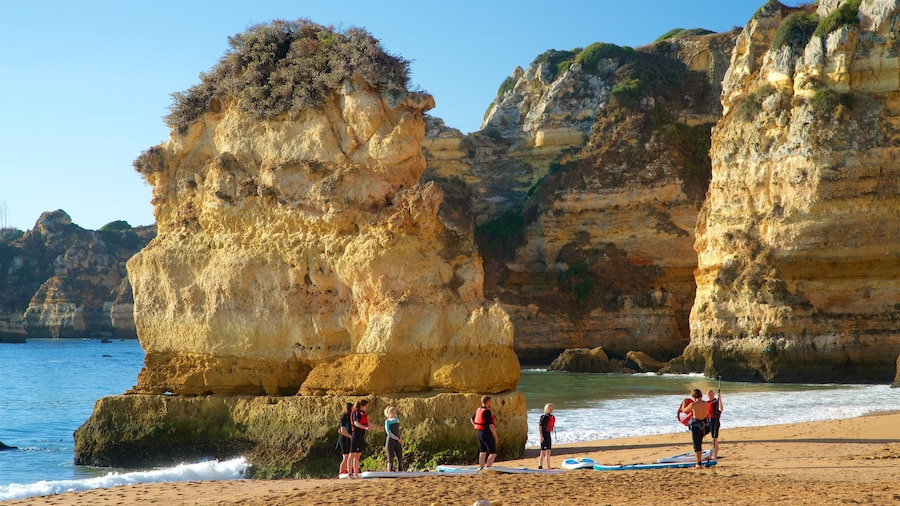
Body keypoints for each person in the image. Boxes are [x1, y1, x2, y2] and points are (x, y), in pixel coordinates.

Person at [680, 388, 710, 468]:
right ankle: (699, 462)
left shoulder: (693, 404)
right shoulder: (707, 403)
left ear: (693, 396)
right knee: (699, 443)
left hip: (696, 425)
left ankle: (698, 463)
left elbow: (684, 411)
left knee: (696, 445)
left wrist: (683, 403)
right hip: (703, 425)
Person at [470, 395, 499, 470]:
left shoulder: (478, 409)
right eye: (490, 401)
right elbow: (491, 425)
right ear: (488, 402)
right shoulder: (487, 411)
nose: (491, 403)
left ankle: (481, 467)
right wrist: (496, 436)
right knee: (493, 453)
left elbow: (471, 419)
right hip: (486, 434)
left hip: (480, 433)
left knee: (483, 452)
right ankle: (488, 467)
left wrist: (475, 426)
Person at [348, 399, 372, 478]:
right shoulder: (356, 413)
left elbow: (367, 423)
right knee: (352, 454)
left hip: (361, 435)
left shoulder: (363, 413)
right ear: (362, 406)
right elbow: (356, 423)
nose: (366, 408)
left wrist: (379, 428)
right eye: (366, 406)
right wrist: (365, 427)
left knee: (358, 455)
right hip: (356, 434)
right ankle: (350, 473)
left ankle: (356, 474)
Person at [383, 406, 403, 472]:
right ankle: (390, 470)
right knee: (391, 457)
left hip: (397, 440)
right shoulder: (387, 421)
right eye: (392, 412)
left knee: (399, 456)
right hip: (390, 440)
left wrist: (399, 438)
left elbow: (397, 430)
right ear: (388, 413)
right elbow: (389, 432)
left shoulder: (397, 420)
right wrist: (397, 438)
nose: (394, 413)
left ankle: (400, 470)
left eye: (394, 412)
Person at [337, 402, 353, 477]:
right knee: (345, 457)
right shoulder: (344, 417)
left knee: (350, 456)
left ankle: (347, 471)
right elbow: (342, 430)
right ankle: (340, 473)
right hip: (345, 438)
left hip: (349, 438)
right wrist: (351, 436)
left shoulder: (350, 416)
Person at [706, 389, 723, 460]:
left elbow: (721, 409)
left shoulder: (716, 402)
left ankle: (715, 455)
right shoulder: (706, 403)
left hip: (715, 421)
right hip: (708, 422)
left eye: (711, 394)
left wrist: (720, 398)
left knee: (714, 439)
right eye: (708, 395)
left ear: (714, 395)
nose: (709, 396)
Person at [537, 403, 555, 470]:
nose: (551, 410)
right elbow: (540, 426)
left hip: (548, 435)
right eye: (549, 409)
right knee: (543, 451)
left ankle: (548, 466)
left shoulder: (551, 417)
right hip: (544, 435)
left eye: (552, 409)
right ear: (546, 409)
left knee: (548, 451)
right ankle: (540, 466)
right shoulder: (544, 417)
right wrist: (541, 436)